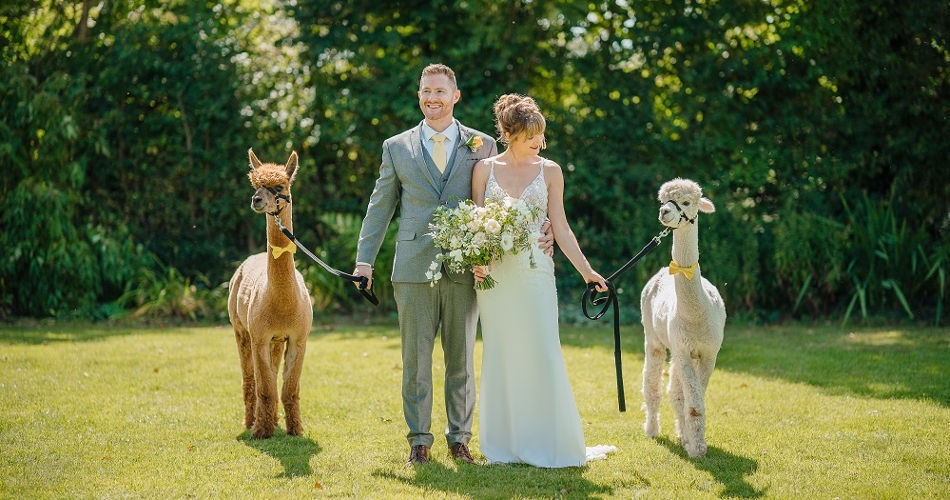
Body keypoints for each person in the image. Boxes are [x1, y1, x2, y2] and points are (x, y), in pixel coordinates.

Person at [355, 64, 551, 466]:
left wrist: (540, 227)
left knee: (461, 359)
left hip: (468, 266)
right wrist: (364, 261)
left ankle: (459, 439)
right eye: (426, 91)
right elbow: (380, 208)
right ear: (419, 95)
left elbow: (504, 199)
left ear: (455, 96)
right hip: (412, 267)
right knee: (416, 360)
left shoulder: (480, 145)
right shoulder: (396, 147)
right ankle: (419, 442)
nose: (433, 98)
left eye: (440, 91)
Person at [471, 94, 616, 467]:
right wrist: (478, 262)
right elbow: (476, 224)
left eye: (541, 135)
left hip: (536, 273)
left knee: (542, 352)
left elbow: (561, 227)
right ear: (508, 133)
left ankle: (552, 443)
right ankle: (504, 445)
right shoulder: (483, 170)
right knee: (501, 355)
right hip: (495, 280)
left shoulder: (550, 171)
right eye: (530, 135)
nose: (539, 142)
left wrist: (588, 272)